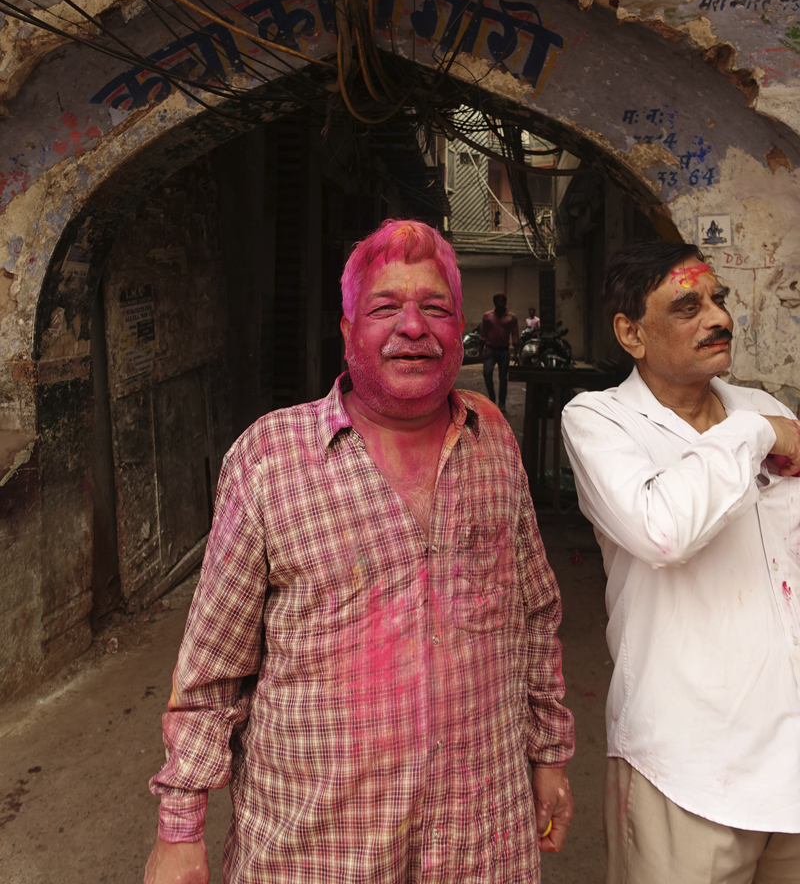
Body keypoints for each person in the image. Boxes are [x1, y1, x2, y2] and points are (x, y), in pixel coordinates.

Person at [145, 219, 575, 884]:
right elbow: (209, 673)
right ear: (347, 334)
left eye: (435, 308)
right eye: (385, 309)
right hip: (316, 853)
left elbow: (535, 616)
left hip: (481, 843)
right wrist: (181, 830)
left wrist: (548, 755)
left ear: (458, 328)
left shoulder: (494, 442)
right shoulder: (269, 458)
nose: (413, 327)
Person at [561, 241, 800, 884]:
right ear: (631, 333)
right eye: (688, 306)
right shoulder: (599, 420)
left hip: (792, 761)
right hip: (685, 769)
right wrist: (751, 436)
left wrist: (759, 423)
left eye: (719, 300)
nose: (717, 318)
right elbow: (662, 530)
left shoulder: (767, 409)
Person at [479, 293, 519, 412]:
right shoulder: (488, 316)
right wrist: (480, 352)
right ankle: (492, 397)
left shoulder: (511, 317)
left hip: (504, 351)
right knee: (487, 373)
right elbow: (483, 335)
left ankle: (502, 403)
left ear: (505, 303)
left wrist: (516, 354)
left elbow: (515, 335)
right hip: (490, 350)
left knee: (503, 378)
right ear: (494, 303)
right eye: (498, 301)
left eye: (502, 301)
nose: (500, 303)